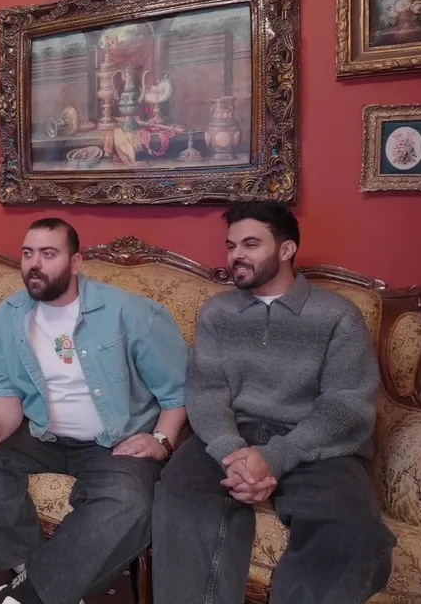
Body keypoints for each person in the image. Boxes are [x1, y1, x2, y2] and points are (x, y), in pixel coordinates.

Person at [151, 202, 395, 604]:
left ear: (286, 249)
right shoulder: (217, 313)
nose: (236, 256)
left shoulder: (338, 315)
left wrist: (274, 457)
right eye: (231, 246)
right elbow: (206, 391)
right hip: (233, 434)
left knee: (351, 531)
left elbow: (346, 406)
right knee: (179, 495)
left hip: (316, 445)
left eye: (250, 244)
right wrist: (232, 452)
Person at [0, 218, 189, 604]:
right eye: (28, 253)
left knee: (130, 502)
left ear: (76, 262)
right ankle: (35, 573)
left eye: (48, 254)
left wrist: (161, 440)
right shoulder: (7, 318)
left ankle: (31, 596)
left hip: (115, 441)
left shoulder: (132, 313)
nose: (35, 264)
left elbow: (178, 391)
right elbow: (6, 394)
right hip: (42, 432)